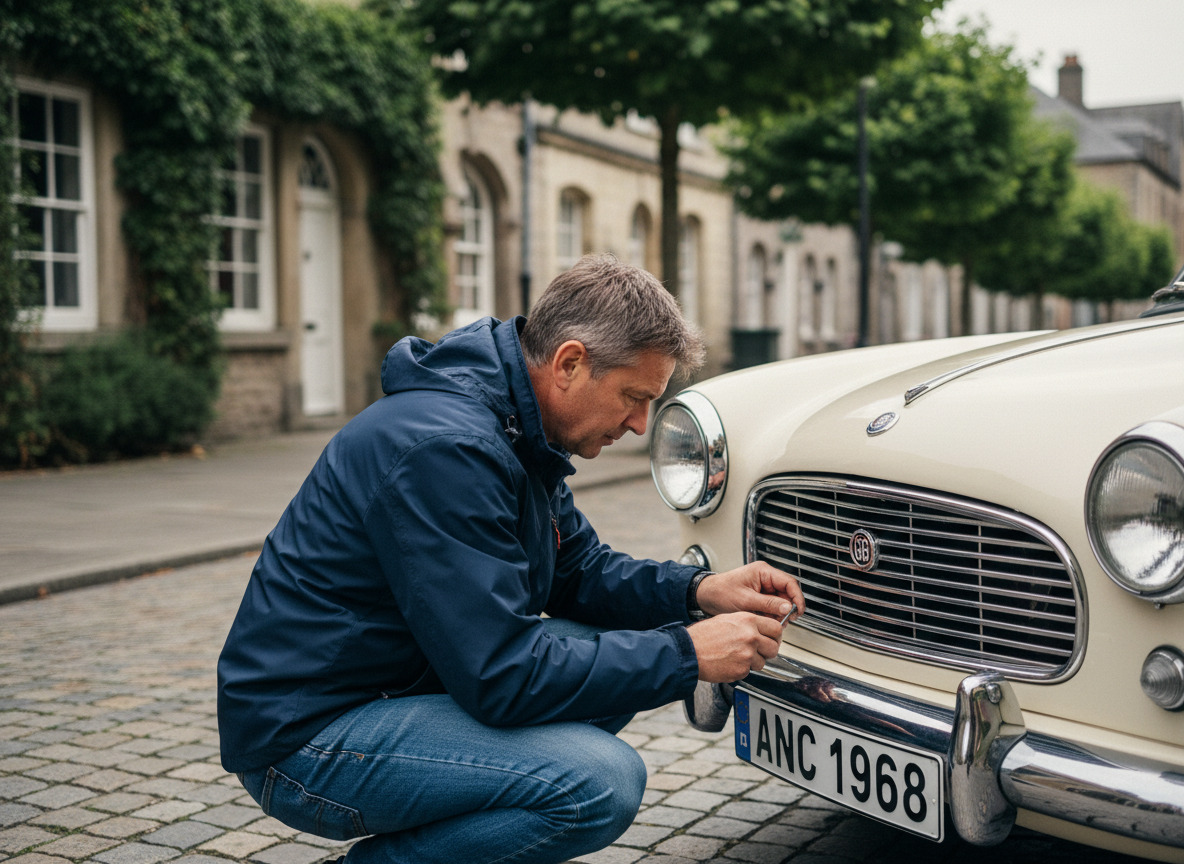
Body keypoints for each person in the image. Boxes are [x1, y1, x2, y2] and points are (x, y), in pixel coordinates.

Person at [217, 253, 805, 864]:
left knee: (624, 638)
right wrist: (689, 654)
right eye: (634, 397)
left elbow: (580, 571)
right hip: (306, 736)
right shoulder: (447, 449)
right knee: (599, 781)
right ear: (570, 363)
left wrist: (700, 591)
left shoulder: (517, 428)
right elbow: (501, 674)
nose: (639, 425)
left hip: (399, 689)